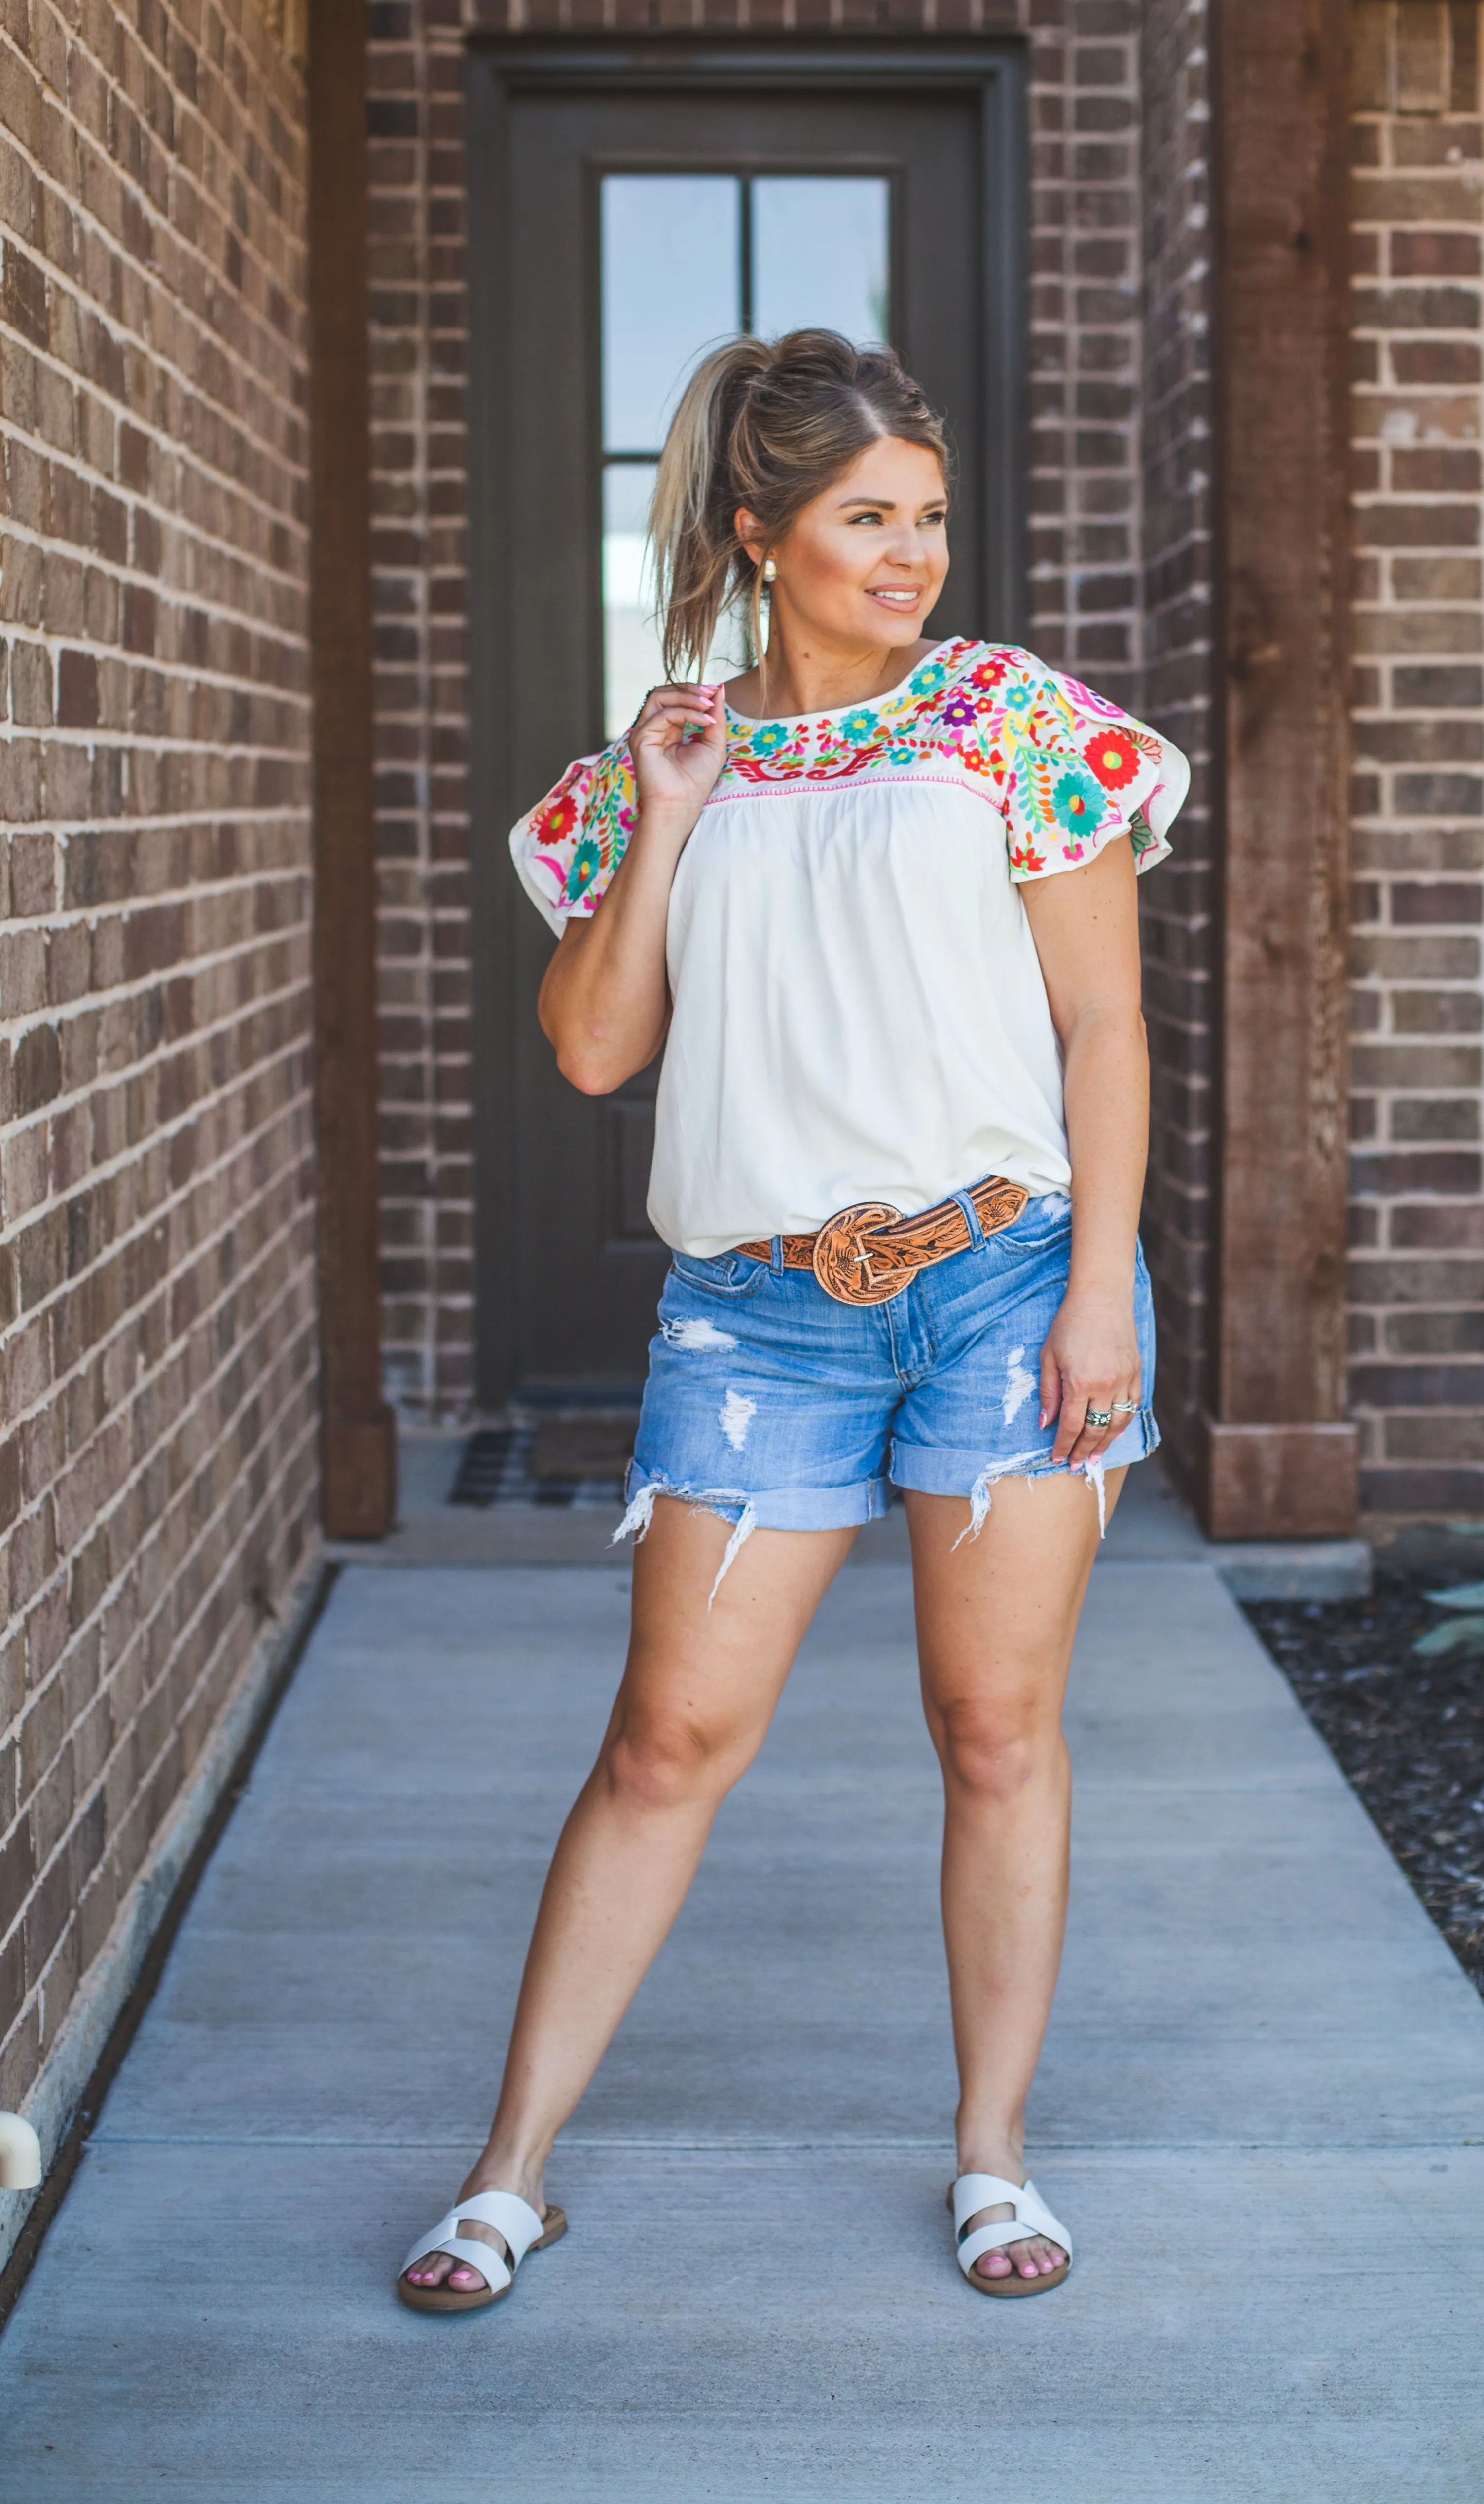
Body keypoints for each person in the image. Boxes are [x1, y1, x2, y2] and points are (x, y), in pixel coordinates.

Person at [397, 329, 1188, 2313]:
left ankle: (992, 2161)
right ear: (761, 533)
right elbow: (591, 1054)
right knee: (667, 1740)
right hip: (760, 1313)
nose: (910, 555)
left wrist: (1102, 1293)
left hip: (1010, 1277)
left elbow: (1106, 1022)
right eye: (865, 520)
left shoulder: (1008, 720)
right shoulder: (666, 759)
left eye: (925, 516)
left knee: (993, 1732)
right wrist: (668, 815)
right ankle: (510, 2176)